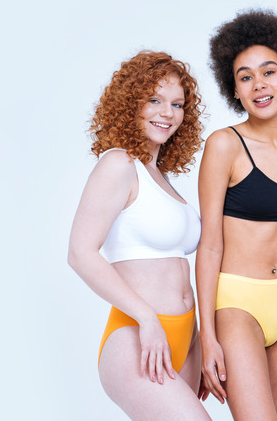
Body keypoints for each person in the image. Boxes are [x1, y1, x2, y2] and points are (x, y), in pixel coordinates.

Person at [195, 10, 277, 421]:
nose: (259, 85)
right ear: (234, 90)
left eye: (268, 72)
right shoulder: (224, 145)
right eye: (245, 77)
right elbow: (210, 244)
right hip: (236, 304)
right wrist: (207, 335)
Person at [67, 51, 211, 420]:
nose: (167, 113)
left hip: (184, 337)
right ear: (131, 103)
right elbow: (81, 253)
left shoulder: (159, 176)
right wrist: (147, 318)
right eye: (154, 100)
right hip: (137, 336)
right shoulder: (118, 163)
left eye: (177, 104)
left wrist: (199, 340)